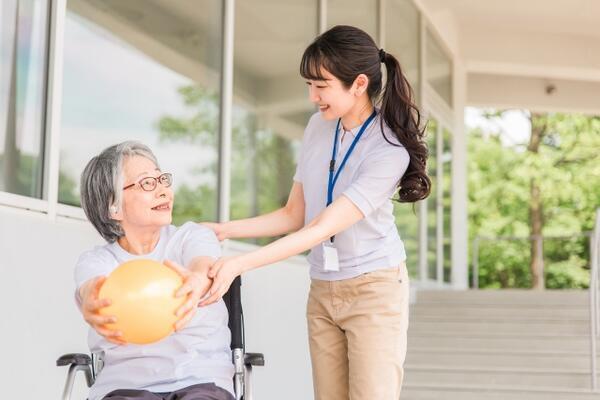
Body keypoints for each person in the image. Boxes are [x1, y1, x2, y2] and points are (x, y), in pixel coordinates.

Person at [202, 25, 430, 400]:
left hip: (374, 290)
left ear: (358, 84)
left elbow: (321, 227)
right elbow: (295, 214)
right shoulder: (318, 127)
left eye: (321, 86)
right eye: (309, 84)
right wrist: (224, 230)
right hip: (322, 288)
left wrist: (238, 264)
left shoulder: (389, 150)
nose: (312, 96)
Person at [74, 141, 234, 400]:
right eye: (147, 183)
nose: (163, 190)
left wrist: (197, 279)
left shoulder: (191, 237)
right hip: (125, 386)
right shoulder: (97, 261)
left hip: (200, 378)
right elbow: (90, 287)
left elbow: (203, 265)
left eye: (163, 180)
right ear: (112, 206)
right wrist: (92, 300)